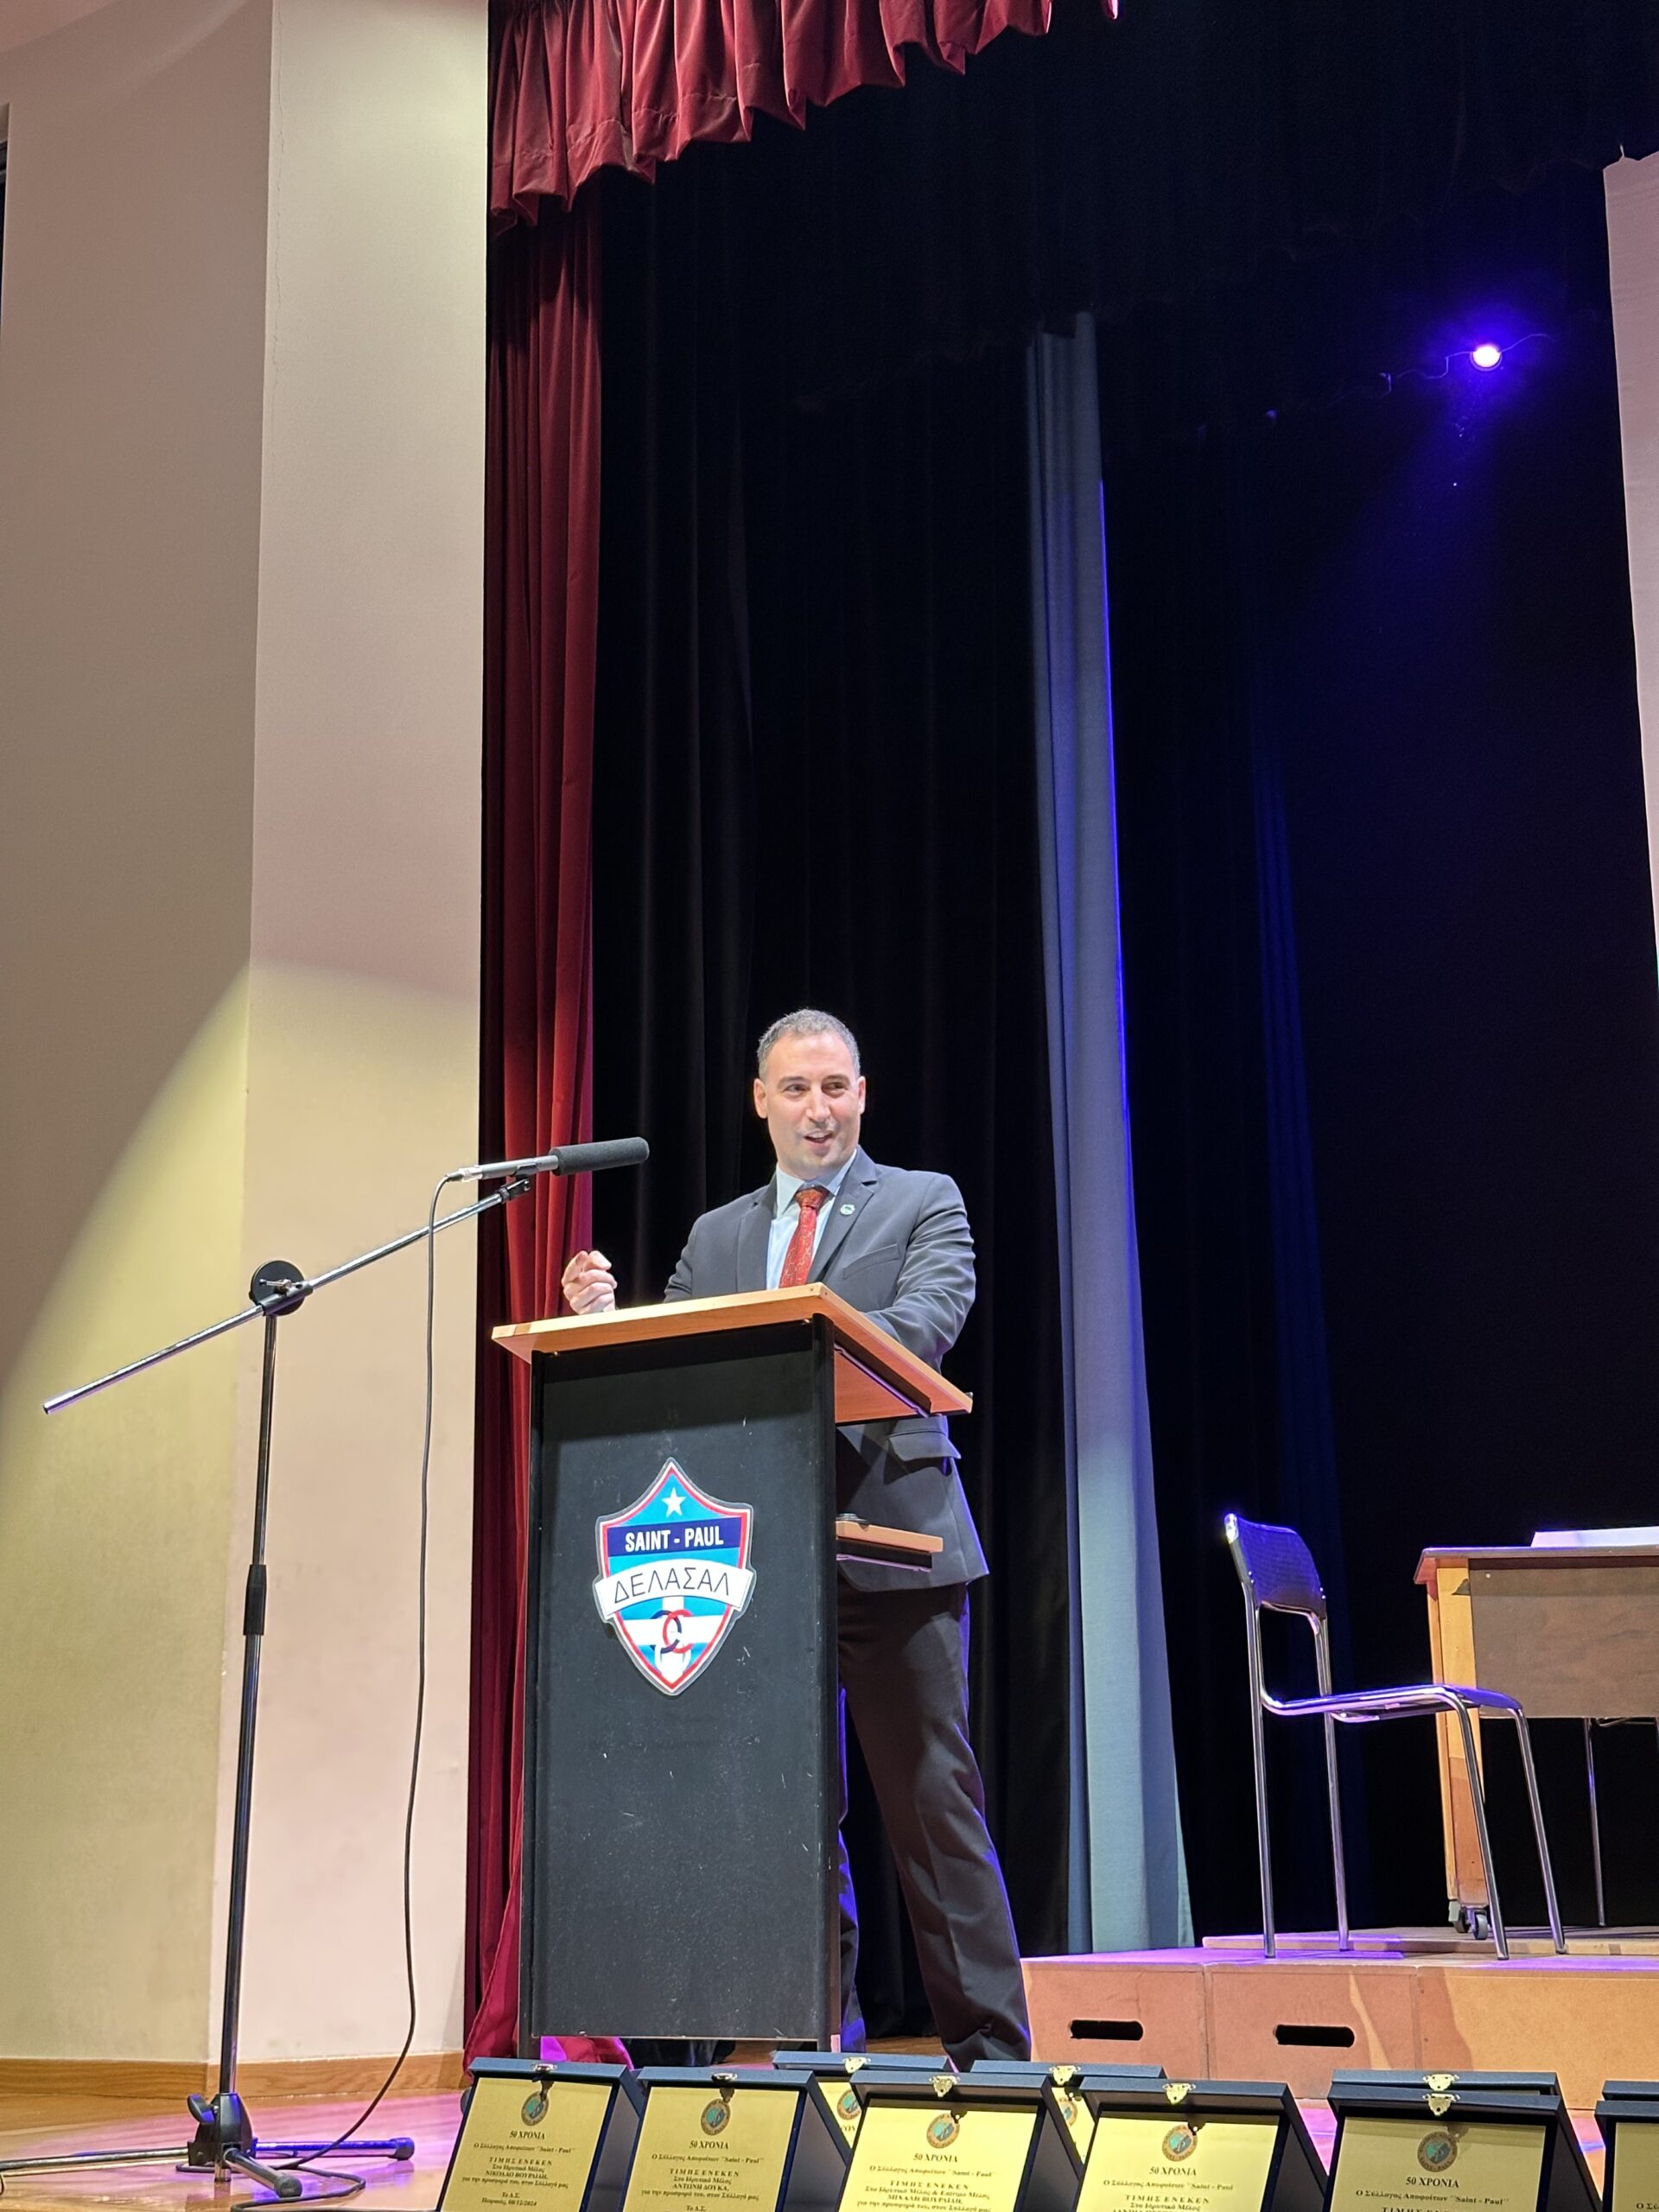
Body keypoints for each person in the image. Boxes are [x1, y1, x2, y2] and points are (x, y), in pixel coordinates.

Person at [562, 1008, 1030, 2067]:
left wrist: (780, 1360)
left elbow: (921, 1327)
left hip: (895, 1545)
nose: (818, 1109)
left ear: (862, 1095)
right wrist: (604, 1322)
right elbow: (680, 1367)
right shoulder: (719, 1235)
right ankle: (816, 2054)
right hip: (756, 1563)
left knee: (932, 1808)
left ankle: (999, 2065)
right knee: (785, 1821)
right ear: (760, 1101)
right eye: (796, 1088)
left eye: (835, 1087)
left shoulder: (923, 1200)